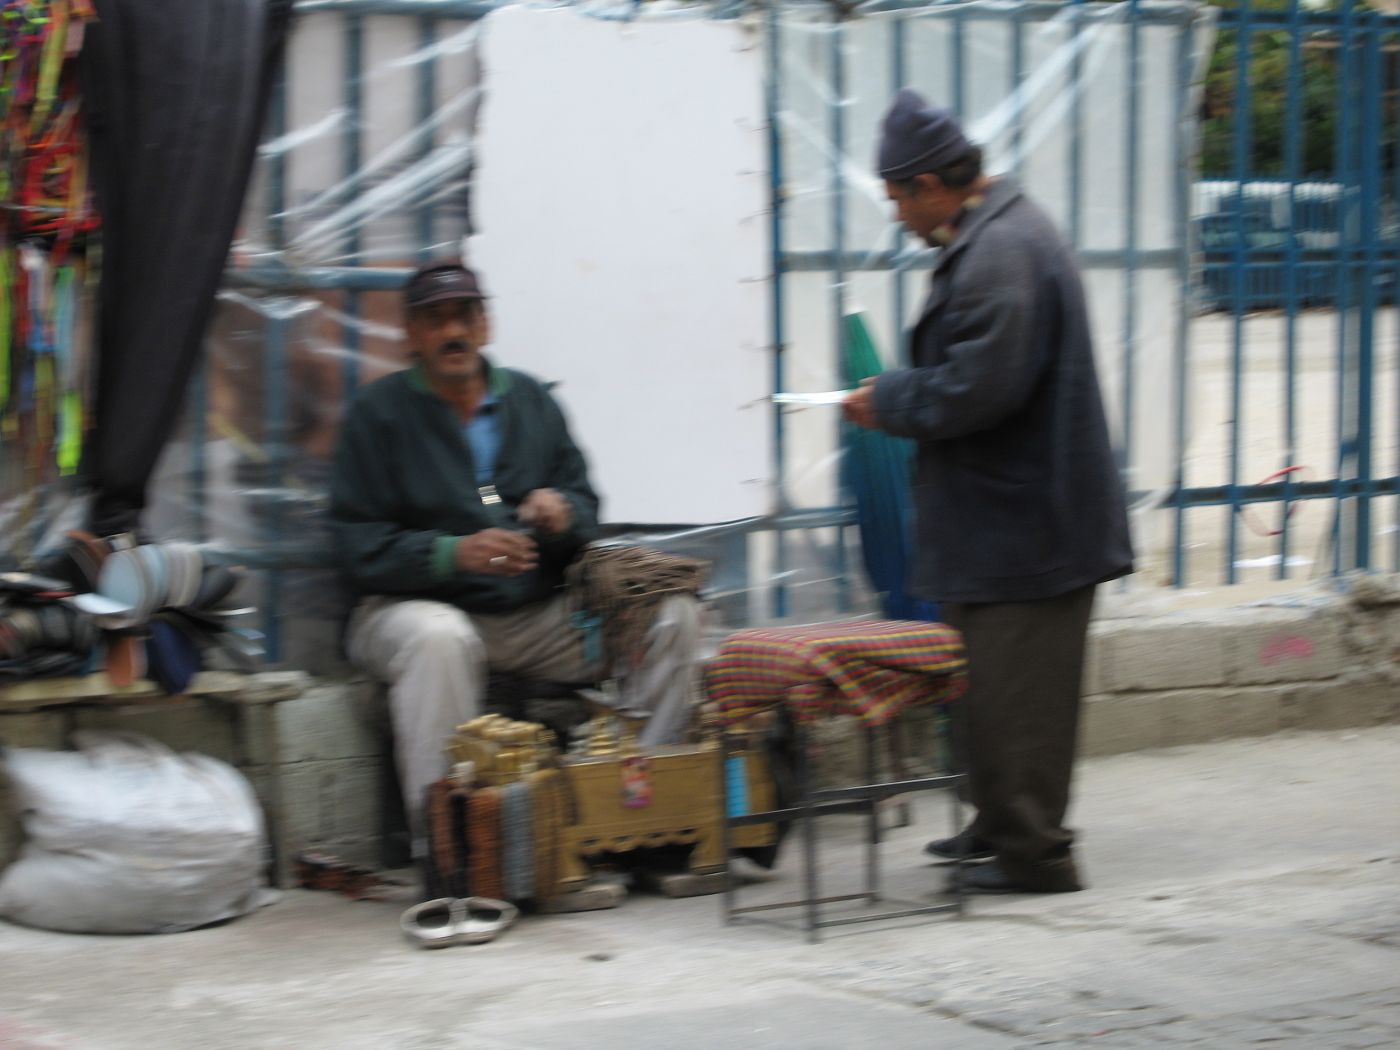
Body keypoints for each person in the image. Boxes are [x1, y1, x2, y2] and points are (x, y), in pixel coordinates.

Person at [843, 90, 1133, 894]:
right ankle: (997, 825)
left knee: (1020, 700)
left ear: (933, 184)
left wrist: (890, 399)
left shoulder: (1003, 250)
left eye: (898, 198)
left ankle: (1036, 855)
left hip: (1032, 528)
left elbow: (980, 387)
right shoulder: (990, 235)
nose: (897, 215)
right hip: (999, 522)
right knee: (982, 691)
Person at [329, 261, 700, 850]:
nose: (453, 332)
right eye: (435, 320)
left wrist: (563, 514)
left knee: (670, 615)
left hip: (532, 615)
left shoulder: (529, 401)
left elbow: (584, 503)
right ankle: (449, 849)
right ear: (411, 335)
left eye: (464, 316)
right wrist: (452, 554)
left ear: (486, 325)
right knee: (439, 640)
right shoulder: (380, 414)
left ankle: (642, 816)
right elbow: (355, 543)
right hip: (411, 609)